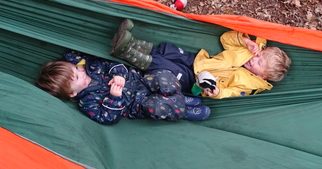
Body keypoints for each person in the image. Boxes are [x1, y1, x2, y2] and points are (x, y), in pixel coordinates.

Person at [110, 19, 291, 99]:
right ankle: (131, 42)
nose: (255, 59)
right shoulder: (249, 53)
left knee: (164, 66)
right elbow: (225, 39)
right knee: (168, 49)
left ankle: (126, 52)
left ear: (262, 77)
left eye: (259, 63)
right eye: (259, 56)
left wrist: (217, 92)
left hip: (196, 81)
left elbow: (231, 93)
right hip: (200, 60)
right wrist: (246, 42)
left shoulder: (250, 86)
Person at [36, 51, 210, 125]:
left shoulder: (92, 67)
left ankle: (178, 97)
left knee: (162, 75)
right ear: (72, 93)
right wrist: (114, 97)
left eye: (76, 68)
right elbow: (106, 118)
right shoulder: (86, 103)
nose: (80, 71)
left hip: (141, 81)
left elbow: (109, 63)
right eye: (76, 77)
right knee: (157, 106)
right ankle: (183, 110)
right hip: (138, 103)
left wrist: (118, 73)